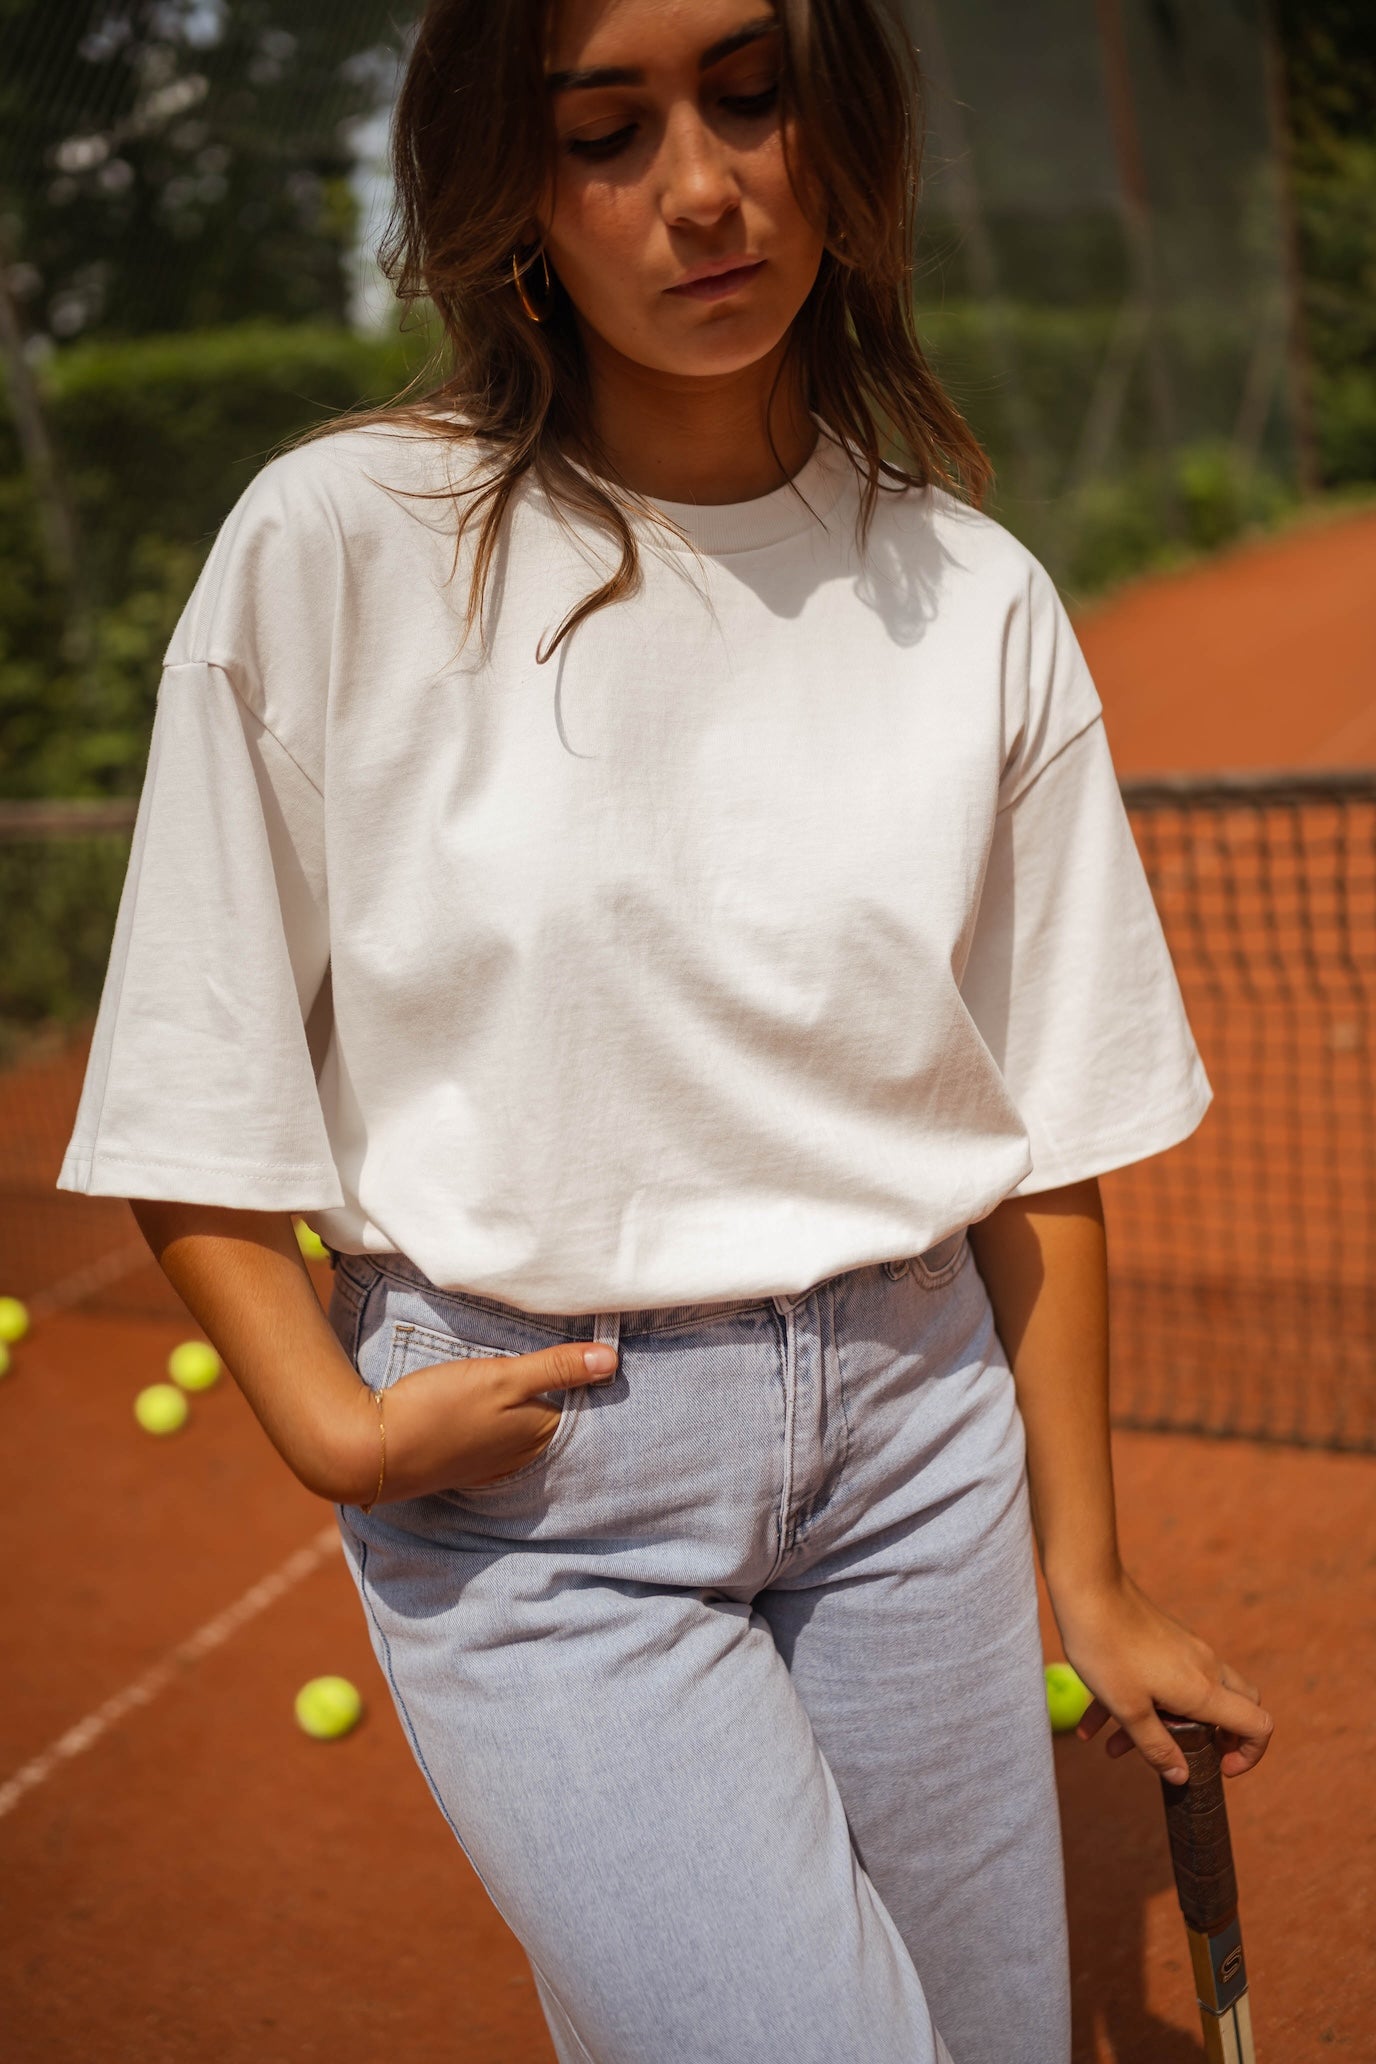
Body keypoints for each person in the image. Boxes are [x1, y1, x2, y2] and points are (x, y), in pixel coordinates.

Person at [58, 1, 1273, 2058]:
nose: (697, 188)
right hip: (538, 1502)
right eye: (604, 132)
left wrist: (1096, 1567)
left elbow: (1042, 1141)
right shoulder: (337, 545)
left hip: (917, 1453)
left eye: (749, 94)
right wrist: (334, 1427)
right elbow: (193, 1076)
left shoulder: (972, 594)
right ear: (508, 191)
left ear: (845, 126)